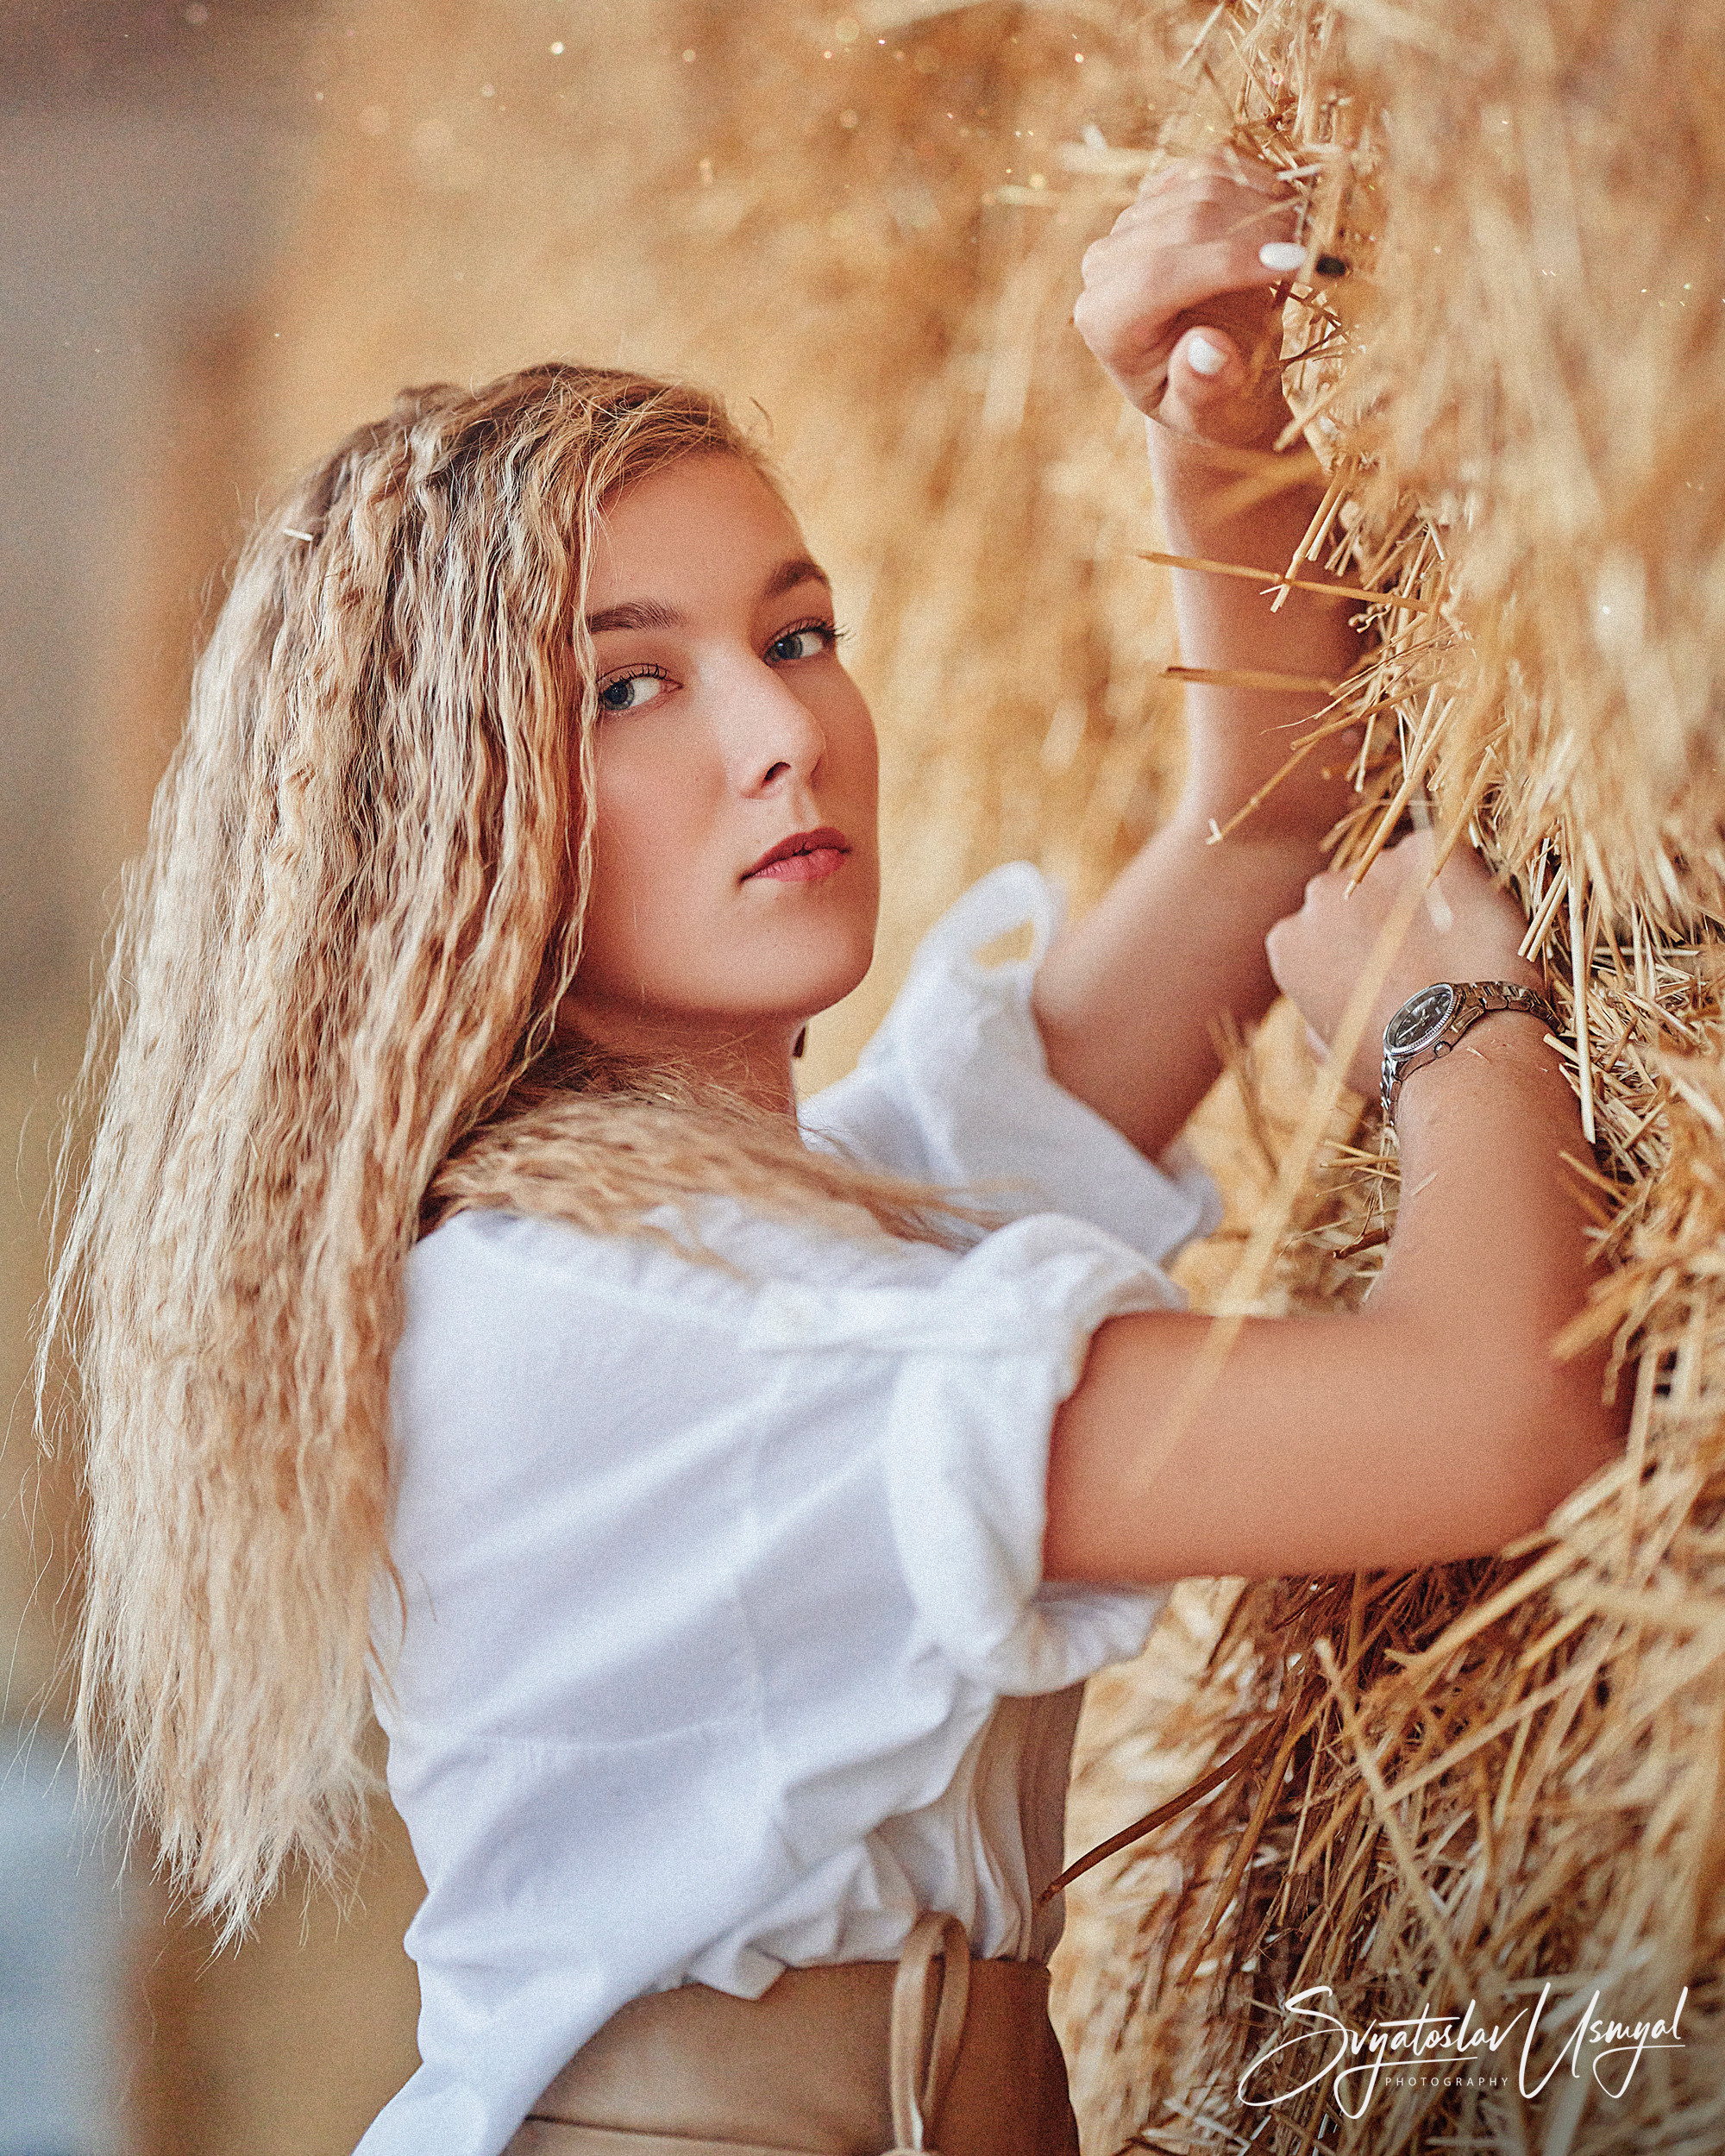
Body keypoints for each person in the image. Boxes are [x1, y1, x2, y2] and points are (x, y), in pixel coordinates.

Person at [48, 158, 1622, 2156]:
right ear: (448, 826)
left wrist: (1205, 416)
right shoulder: (626, 1318)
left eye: (796, 635)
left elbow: (1276, 818)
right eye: (630, 687)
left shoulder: (776, 1229)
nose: (779, 732)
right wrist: (1447, 1026)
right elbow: (1499, 1419)